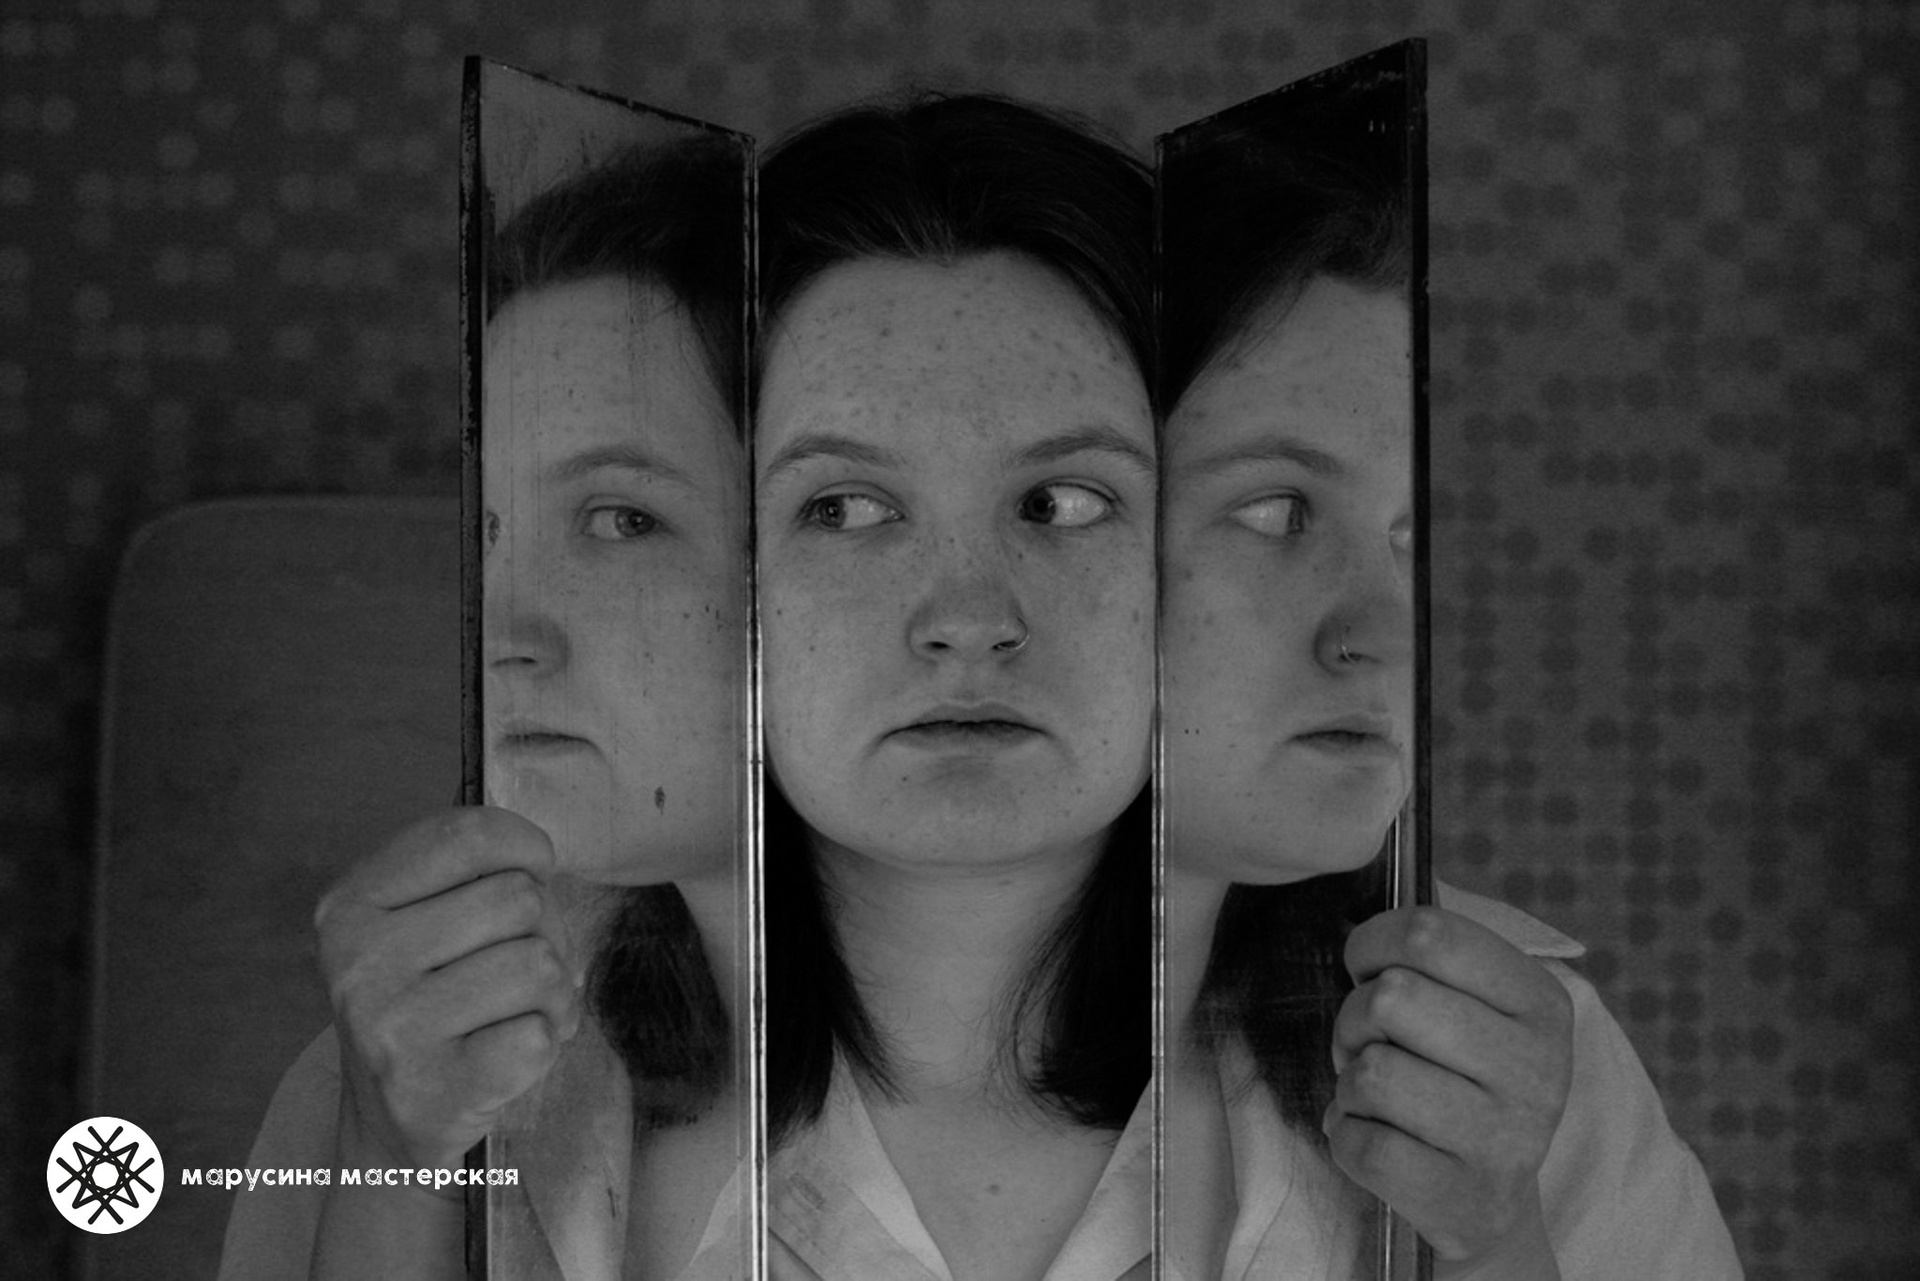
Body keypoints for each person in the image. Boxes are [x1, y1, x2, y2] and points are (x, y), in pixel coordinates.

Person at [1157, 94, 1743, 1279]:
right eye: (1276, 512)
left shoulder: (1515, 1060)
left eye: (1407, 534)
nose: (1385, 634)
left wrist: (1495, 1243)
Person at [218, 136, 753, 1280]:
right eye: (491, 530)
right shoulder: (394, 1075)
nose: (502, 634)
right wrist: (393, 1161)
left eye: (620, 520)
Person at [753, 93, 1157, 1279]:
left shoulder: (1499, 1055)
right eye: (845, 508)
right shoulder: (434, 1074)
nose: (969, 621)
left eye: (1063, 503)